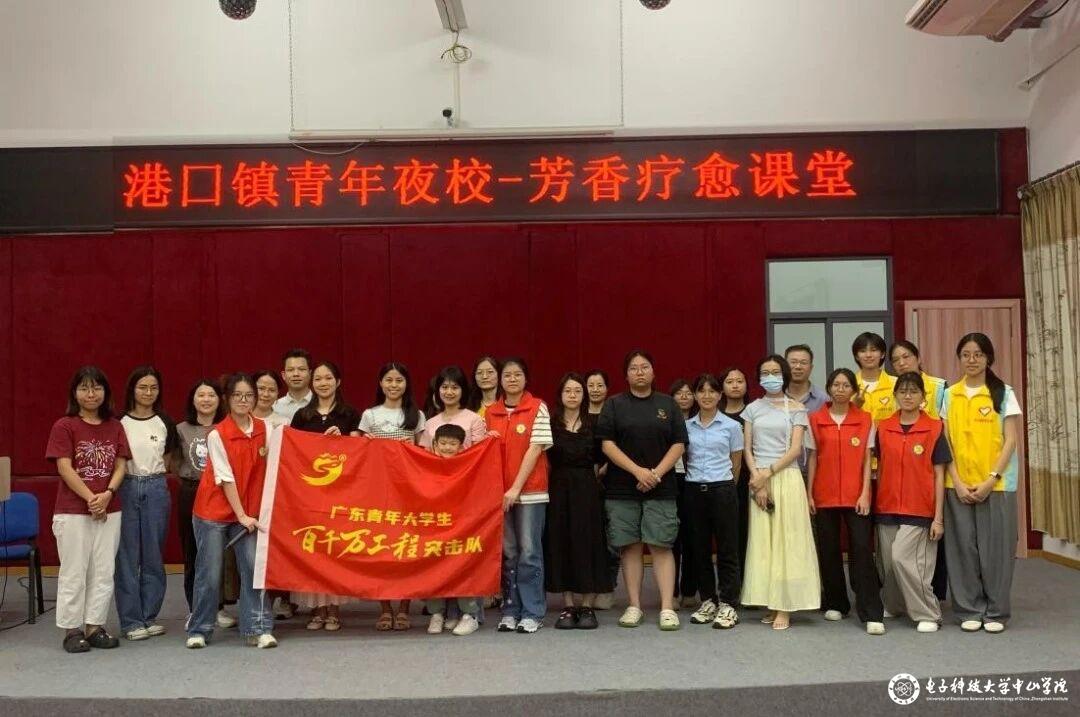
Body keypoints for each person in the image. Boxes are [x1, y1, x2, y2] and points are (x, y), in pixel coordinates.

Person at [595, 350, 687, 632]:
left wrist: (655, 474)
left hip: (661, 488)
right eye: (633, 368)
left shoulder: (668, 404)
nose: (639, 372)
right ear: (626, 375)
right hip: (623, 489)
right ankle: (634, 605)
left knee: (661, 545)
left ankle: (667, 607)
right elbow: (607, 444)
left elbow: (679, 444)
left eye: (644, 367)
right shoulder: (614, 405)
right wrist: (638, 471)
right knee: (630, 546)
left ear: (653, 371)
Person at [186, 373, 276, 649]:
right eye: (237, 395)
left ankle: (257, 628)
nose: (243, 400)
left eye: (248, 395)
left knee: (253, 568)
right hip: (214, 512)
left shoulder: (265, 428)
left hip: (248, 512)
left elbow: (286, 454)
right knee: (210, 573)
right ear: (227, 399)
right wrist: (242, 515)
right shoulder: (217, 434)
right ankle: (199, 629)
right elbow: (225, 478)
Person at [46, 366, 130, 653]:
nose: (91, 393)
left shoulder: (115, 426)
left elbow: (120, 465)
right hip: (73, 510)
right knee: (74, 571)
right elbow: (64, 467)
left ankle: (95, 626)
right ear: (75, 393)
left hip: (110, 509)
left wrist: (107, 495)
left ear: (105, 392)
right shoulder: (64, 425)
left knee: (104, 570)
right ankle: (72, 629)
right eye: (84, 388)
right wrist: (92, 499)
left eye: (96, 388)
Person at [942, 333, 1022, 634]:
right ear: (959, 358)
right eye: (966, 354)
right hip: (958, 485)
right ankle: (968, 609)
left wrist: (991, 480)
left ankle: (997, 611)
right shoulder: (949, 395)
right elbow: (945, 442)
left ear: (988, 358)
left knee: (996, 550)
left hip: (997, 486)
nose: (972, 360)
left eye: (978, 354)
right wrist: (957, 480)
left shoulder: (1003, 392)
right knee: (962, 549)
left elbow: (1011, 441)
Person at [740, 355, 821, 630]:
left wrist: (767, 473)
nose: (771, 377)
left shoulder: (796, 408)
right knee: (765, 542)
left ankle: (786, 605)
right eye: (765, 372)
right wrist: (758, 479)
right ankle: (772, 603)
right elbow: (747, 448)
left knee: (788, 541)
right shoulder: (752, 409)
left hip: (786, 477)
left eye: (775, 372)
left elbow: (796, 450)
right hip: (758, 479)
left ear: (784, 375)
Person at [805, 368, 884, 635]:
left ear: (854, 390)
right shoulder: (816, 419)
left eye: (846, 385)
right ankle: (836, 602)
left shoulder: (865, 419)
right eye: (836, 385)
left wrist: (865, 493)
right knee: (828, 549)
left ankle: (871, 611)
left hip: (855, 495)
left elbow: (867, 459)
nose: (840, 389)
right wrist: (809, 493)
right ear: (829, 388)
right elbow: (813, 458)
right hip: (824, 493)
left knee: (862, 549)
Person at [874, 372, 949, 633]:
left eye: (913, 391)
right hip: (887, 505)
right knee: (888, 564)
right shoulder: (883, 427)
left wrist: (938, 517)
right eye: (903, 391)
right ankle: (894, 605)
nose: (908, 396)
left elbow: (939, 475)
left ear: (923, 397)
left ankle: (928, 612)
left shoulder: (935, 428)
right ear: (895, 395)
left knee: (904, 559)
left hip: (920, 508)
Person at [289, 361, 359, 632]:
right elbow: (293, 455)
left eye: (328, 378)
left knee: (335, 549)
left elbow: (360, 452)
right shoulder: (301, 416)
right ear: (311, 382)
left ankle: (334, 610)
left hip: (341, 493)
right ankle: (316, 610)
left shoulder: (349, 414)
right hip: (310, 493)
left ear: (338, 381)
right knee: (313, 548)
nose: (323, 383)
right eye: (318, 378)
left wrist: (344, 439)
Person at [485, 358, 553, 634]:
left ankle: (533, 611)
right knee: (509, 553)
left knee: (529, 551)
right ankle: (510, 610)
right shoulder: (490, 412)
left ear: (526, 378)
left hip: (531, 493)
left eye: (517, 375)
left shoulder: (538, 407)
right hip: (499, 494)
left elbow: (535, 449)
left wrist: (515, 488)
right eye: (507, 375)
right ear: (500, 380)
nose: (512, 379)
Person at [356, 361, 426, 631]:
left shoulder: (416, 415)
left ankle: (405, 608)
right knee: (381, 549)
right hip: (377, 490)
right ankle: (384, 608)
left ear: (406, 384)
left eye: (399, 380)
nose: (394, 385)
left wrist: (412, 451)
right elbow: (359, 453)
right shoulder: (369, 415)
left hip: (408, 489)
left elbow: (424, 452)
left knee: (408, 548)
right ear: (381, 383)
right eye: (389, 380)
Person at [545, 373, 612, 631]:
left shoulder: (595, 424)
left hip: (587, 488)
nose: (572, 395)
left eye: (577, 391)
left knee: (588, 542)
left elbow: (605, 455)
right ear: (560, 395)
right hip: (558, 488)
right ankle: (569, 605)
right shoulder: (551, 423)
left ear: (584, 395)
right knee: (562, 541)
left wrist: (599, 473)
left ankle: (587, 606)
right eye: (568, 391)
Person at [115, 366, 176, 641]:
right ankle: (131, 621)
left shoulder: (165, 422)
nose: (148, 392)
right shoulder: (119, 422)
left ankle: (149, 616)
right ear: (132, 389)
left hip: (155, 486)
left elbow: (168, 458)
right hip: (127, 486)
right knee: (127, 556)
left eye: (153, 387)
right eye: (142, 387)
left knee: (153, 554)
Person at [889, 339, 949, 601]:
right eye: (896, 360)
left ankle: (932, 595)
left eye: (906, 357)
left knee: (933, 541)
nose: (902, 363)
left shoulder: (939, 386)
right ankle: (903, 599)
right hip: (902, 471)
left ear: (918, 357)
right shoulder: (893, 390)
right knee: (896, 552)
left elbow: (947, 424)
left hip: (936, 461)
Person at [683, 374, 744, 630]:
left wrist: (726, 487)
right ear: (695, 395)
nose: (706, 396)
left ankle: (729, 603)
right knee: (699, 549)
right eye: (701, 391)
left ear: (720, 395)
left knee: (728, 549)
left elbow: (736, 464)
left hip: (722, 490)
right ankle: (708, 600)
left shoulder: (732, 426)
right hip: (694, 490)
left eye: (712, 391)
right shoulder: (686, 426)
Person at [174, 378, 232, 628]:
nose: (206, 399)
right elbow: (173, 462)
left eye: (211, 395)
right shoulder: (181, 429)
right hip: (191, 492)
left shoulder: (227, 427)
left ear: (220, 400)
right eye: (201, 395)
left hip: (221, 492)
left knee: (218, 554)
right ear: (193, 400)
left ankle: (217, 608)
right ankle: (195, 609)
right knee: (193, 553)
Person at [425, 423, 483, 636]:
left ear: (461, 446)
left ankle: (469, 615)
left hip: (462, 526)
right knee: (433, 569)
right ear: (434, 444)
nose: (447, 448)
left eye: (452, 444)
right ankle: (436, 613)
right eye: (443, 443)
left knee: (463, 567)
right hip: (434, 526)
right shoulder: (425, 464)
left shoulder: (468, 464)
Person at [252, 369, 290, 619]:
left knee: (276, 547)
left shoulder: (283, 422)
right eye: (260, 388)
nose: (265, 394)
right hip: (246, 490)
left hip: (276, 491)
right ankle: (251, 605)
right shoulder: (241, 419)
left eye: (271, 390)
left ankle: (281, 599)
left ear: (278, 394)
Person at [584, 368, 617, 611]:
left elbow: (622, 445)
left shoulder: (614, 412)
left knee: (612, 538)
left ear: (607, 388)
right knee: (589, 537)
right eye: (591, 385)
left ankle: (608, 588)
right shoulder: (578, 414)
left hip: (613, 480)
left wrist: (606, 467)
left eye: (600, 385)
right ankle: (588, 587)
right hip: (584, 482)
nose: (595, 390)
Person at [719, 367, 752, 576]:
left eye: (740, 381)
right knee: (727, 531)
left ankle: (749, 579)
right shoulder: (715, 414)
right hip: (721, 479)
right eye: (730, 381)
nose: (735, 385)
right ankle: (731, 581)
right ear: (721, 388)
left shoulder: (753, 413)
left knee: (747, 530)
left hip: (751, 479)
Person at [669, 379, 698, 609]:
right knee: (672, 539)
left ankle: (689, 590)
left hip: (697, 479)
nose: (684, 397)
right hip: (673, 478)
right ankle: (672, 592)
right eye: (679, 393)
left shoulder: (701, 421)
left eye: (688, 393)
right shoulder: (666, 421)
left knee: (693, 537)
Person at [784, 344, 829, 477]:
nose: (798, 367)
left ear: (811, 367)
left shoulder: (824, 401)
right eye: (793, 362)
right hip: (782, 470)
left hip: (815, 472)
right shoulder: (775, 399)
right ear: (785, 366)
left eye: (803, 363)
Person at [420, 365, 488, 449]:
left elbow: (479, 452)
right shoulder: (429, 423)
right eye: (444, 387)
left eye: (454, 388)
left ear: (463, 390)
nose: (449, 392)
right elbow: (425, 454)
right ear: (438, 390)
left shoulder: (474, 420)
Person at [852, 332, 896, 424]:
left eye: (873, 350)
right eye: (863, 351)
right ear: (856, 356)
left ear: (882, 354)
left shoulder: (896, 383)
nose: (868, 355)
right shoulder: (849, 385)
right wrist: (854, 406)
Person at [272, 348, 313, 423]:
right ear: (283, 375)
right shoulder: (274, 407)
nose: (296, 374)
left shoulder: (321, 404)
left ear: (310, 374)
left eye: (301, 369)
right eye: (290, 370)